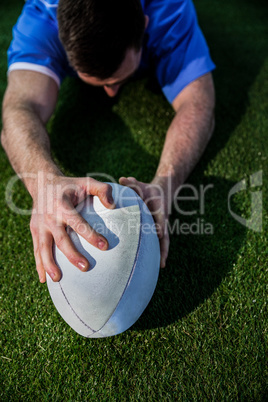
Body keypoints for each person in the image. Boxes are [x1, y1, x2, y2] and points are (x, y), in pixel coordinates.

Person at [1, 0, 215, 283]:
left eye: (118, 79)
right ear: (59, 38)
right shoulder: (42, 17)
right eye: (100, 82)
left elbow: (198, 105)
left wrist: (165, 184)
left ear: (146, 25)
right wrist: (44, 183)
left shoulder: (169, 9)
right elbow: (19, 108)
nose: (112, 92)